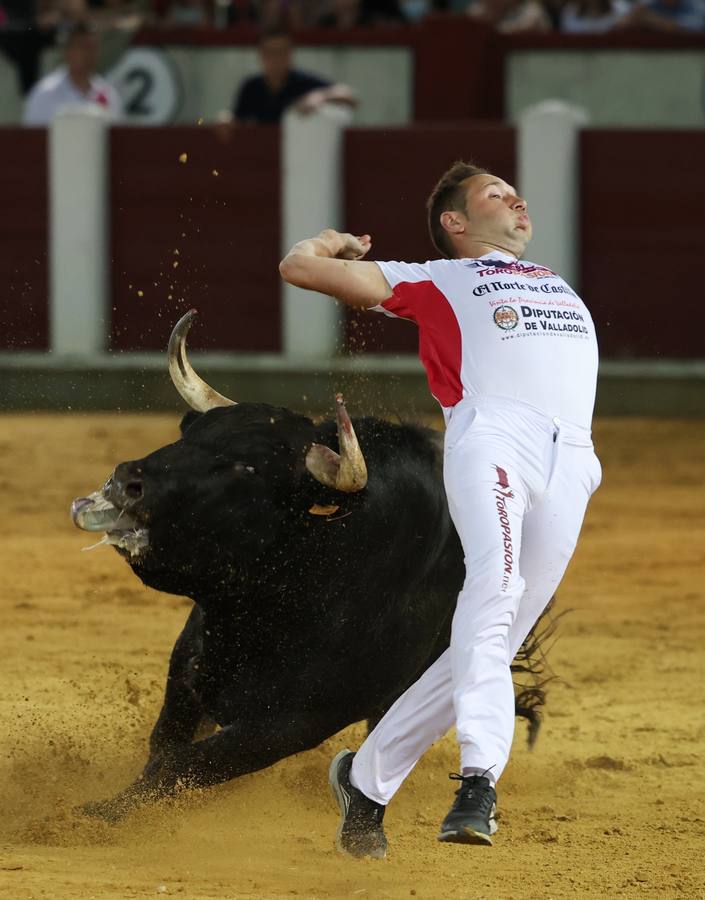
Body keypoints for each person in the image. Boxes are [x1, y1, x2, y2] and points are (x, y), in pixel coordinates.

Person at [279, 161, 601, 856]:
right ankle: (479, 781)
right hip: (493, 437)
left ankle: (364, 783)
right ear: (455, 223)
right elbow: (297, 270)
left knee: (492, 640)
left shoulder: (554, 281)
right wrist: (329, 241)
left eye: (515, 191)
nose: (515, 198)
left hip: (572, 458)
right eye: (494, 194)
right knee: (492, 595)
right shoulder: (436, 278)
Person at [230, 27, 357, 125]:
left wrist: (319, 96)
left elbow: (349, 96)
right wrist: (225, 120)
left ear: (290, 54)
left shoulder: (304, 82)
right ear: (262, 55)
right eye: (271, 52)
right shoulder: (251, 86)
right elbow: (235, 119)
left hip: (298, 152)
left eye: (282, 52)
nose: (276, 58)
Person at [23, 20, 123, 125]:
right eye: (83, 46)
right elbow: (33, 137)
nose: (89, 53)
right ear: (67, 51)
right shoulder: (45, 93)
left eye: (93, 47)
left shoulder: (109, 95)